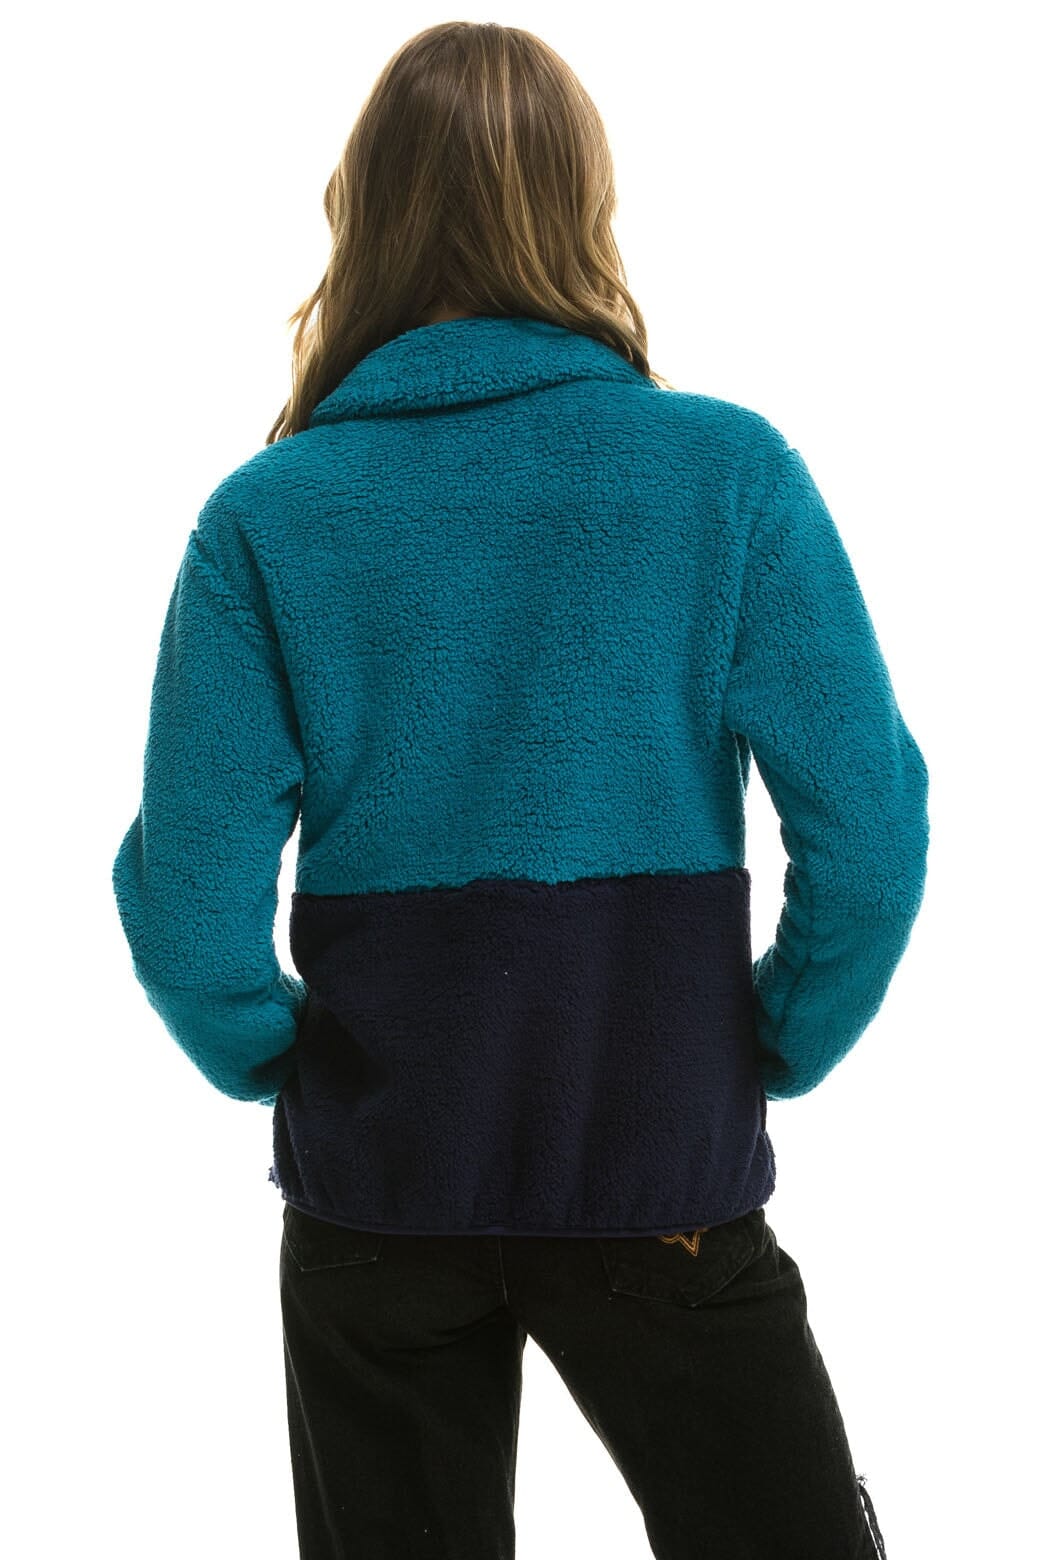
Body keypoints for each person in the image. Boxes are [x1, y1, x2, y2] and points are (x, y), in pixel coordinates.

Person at [111, 19, 927, 1560]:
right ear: (582, 206)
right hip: (657, 1165)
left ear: (360, 211)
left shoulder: (266, 518)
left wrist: (293, 1064)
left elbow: (187, 904)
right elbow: (870, 839)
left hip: (379, 1184)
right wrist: (772, 1039)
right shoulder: (726, 474)